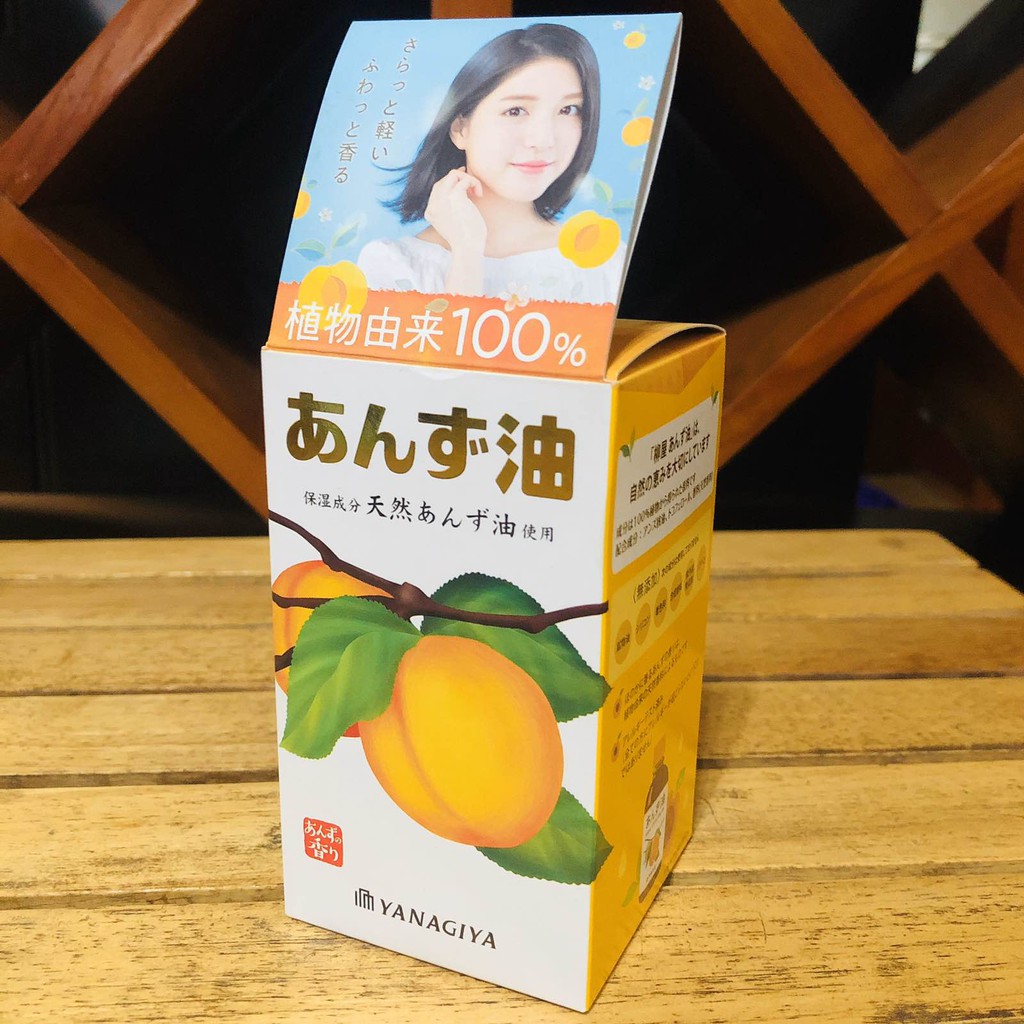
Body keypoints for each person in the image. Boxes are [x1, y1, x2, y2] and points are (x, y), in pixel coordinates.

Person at [358, 24, 624, 305]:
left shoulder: (606, 263)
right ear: (460, 128)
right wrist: (467, 252)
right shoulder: (394, 268)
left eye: (568, 110)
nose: (543, 140)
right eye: (515, 111)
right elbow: (455, 335)